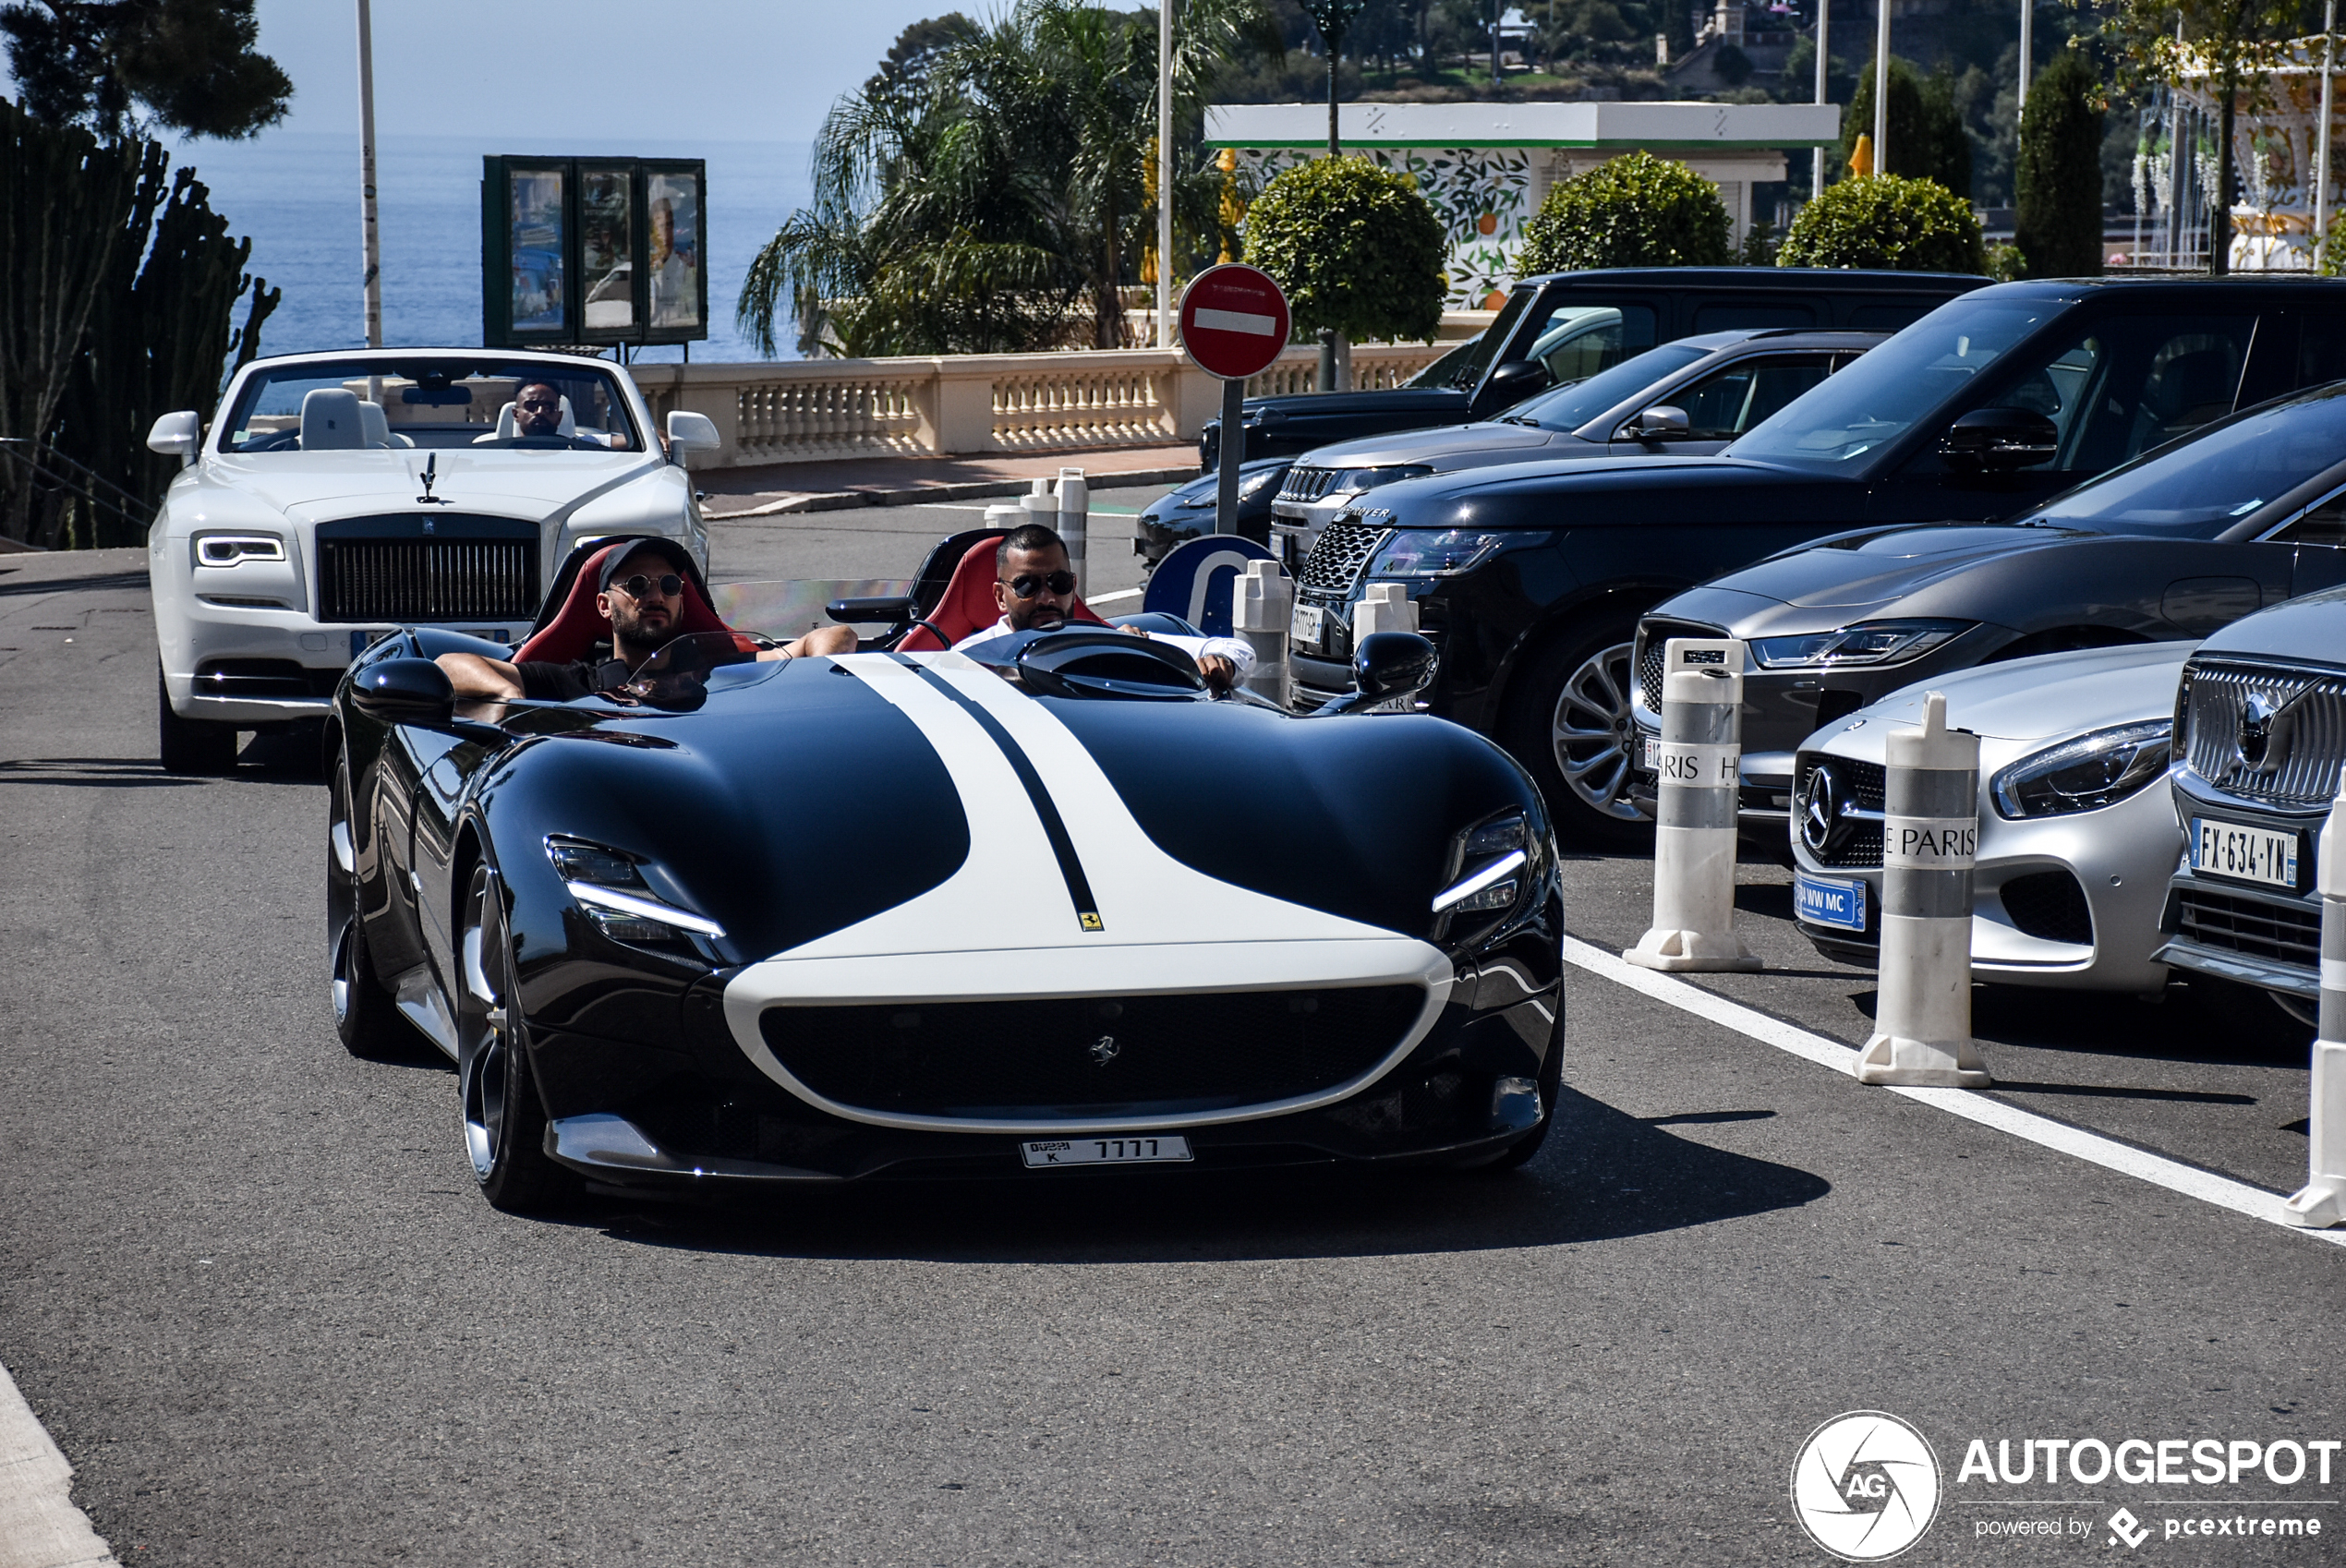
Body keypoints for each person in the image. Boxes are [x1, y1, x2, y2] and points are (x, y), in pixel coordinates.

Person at [437, 539, 855, 702]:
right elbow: (449, 665)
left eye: (669, 584)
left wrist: (817, 675)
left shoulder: (716, 669)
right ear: (603, 606)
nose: (655, 595)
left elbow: (836, 635)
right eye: (637, 585)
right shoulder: (575, 681)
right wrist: (512, 698)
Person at [952, 524, 1253, 694]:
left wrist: (1219, 663)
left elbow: (1239, 651)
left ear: (1073, 583)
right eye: (1027, 586)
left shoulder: (1108, 642)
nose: (1046, 598)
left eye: (1058, 582)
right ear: (1000, 596)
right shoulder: (969, 661)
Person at [510, 380, 631, 451]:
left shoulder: (581, 445)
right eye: (531, 406)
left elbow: (637, 441)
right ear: (516, 414)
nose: (540, 412)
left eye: (548, 407)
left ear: (559, 417)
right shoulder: (498, 452)